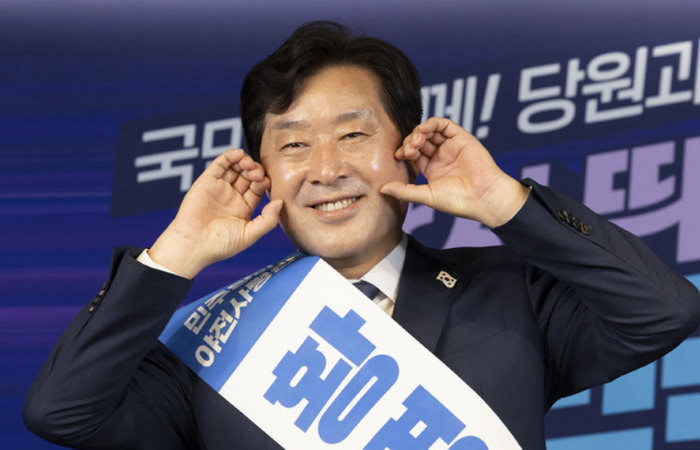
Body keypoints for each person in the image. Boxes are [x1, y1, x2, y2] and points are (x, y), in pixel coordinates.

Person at [23, 21, 700, 450]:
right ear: (263, 171)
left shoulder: (511, 292)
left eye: (353, 134)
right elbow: (62, 412)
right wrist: (175, 254)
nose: (326, 169)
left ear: (407, 147)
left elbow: (663, 311)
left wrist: (504, 203)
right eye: (293, 145)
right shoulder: (215, 341)